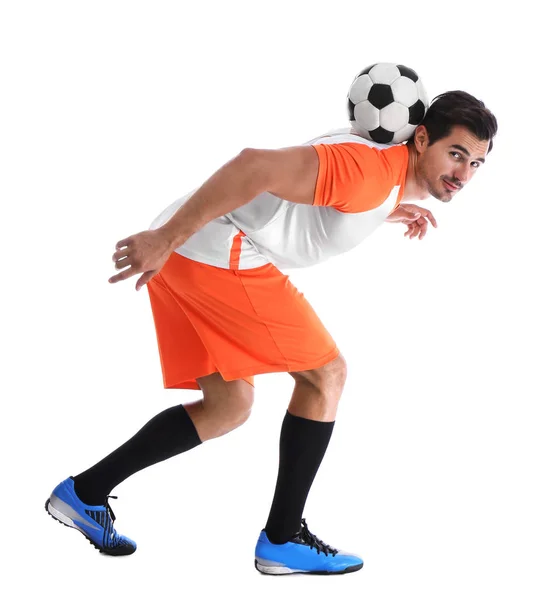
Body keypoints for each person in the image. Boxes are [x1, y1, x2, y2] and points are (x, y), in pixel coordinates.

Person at [45, 90, 497, 575]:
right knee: (326, 376)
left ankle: (85, 493)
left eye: (477, 163)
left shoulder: (378, 179)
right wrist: (165, 238)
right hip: (210, 249)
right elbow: (254, 166)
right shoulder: (367, 171)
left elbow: (311, 197)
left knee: (228, 407)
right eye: (456, 154)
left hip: (188, 254)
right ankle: (283, 538)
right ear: (422, 137)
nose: (464, 174)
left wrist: (383, 212)